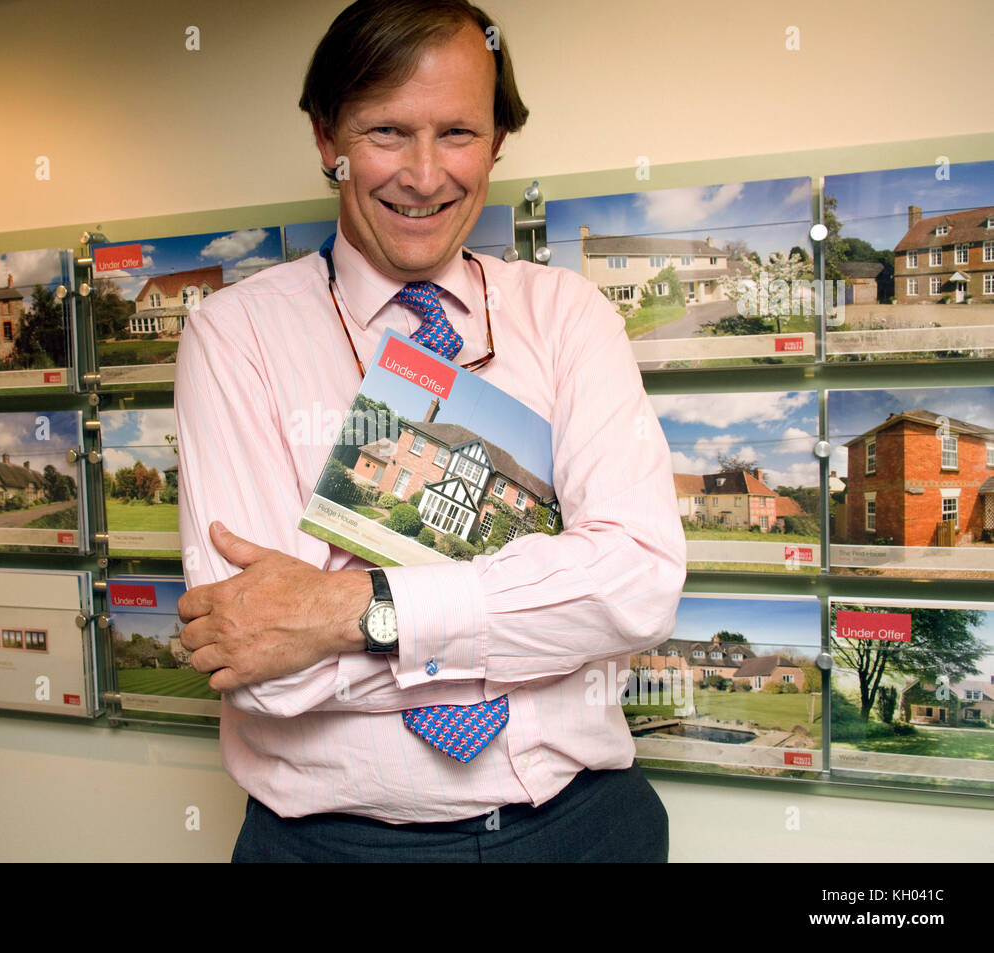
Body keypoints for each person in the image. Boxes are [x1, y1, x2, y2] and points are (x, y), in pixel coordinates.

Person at [175, 0, 686, 862]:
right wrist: (540, 624)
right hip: (334, 849)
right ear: (326, 138)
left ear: (497, 142)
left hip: (582, 828)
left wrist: (346, 605)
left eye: (457, 132)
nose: (423, 175)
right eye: (385, 132)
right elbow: (260, 657)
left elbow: (635, 586)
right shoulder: (235, 334)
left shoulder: (568, 315)